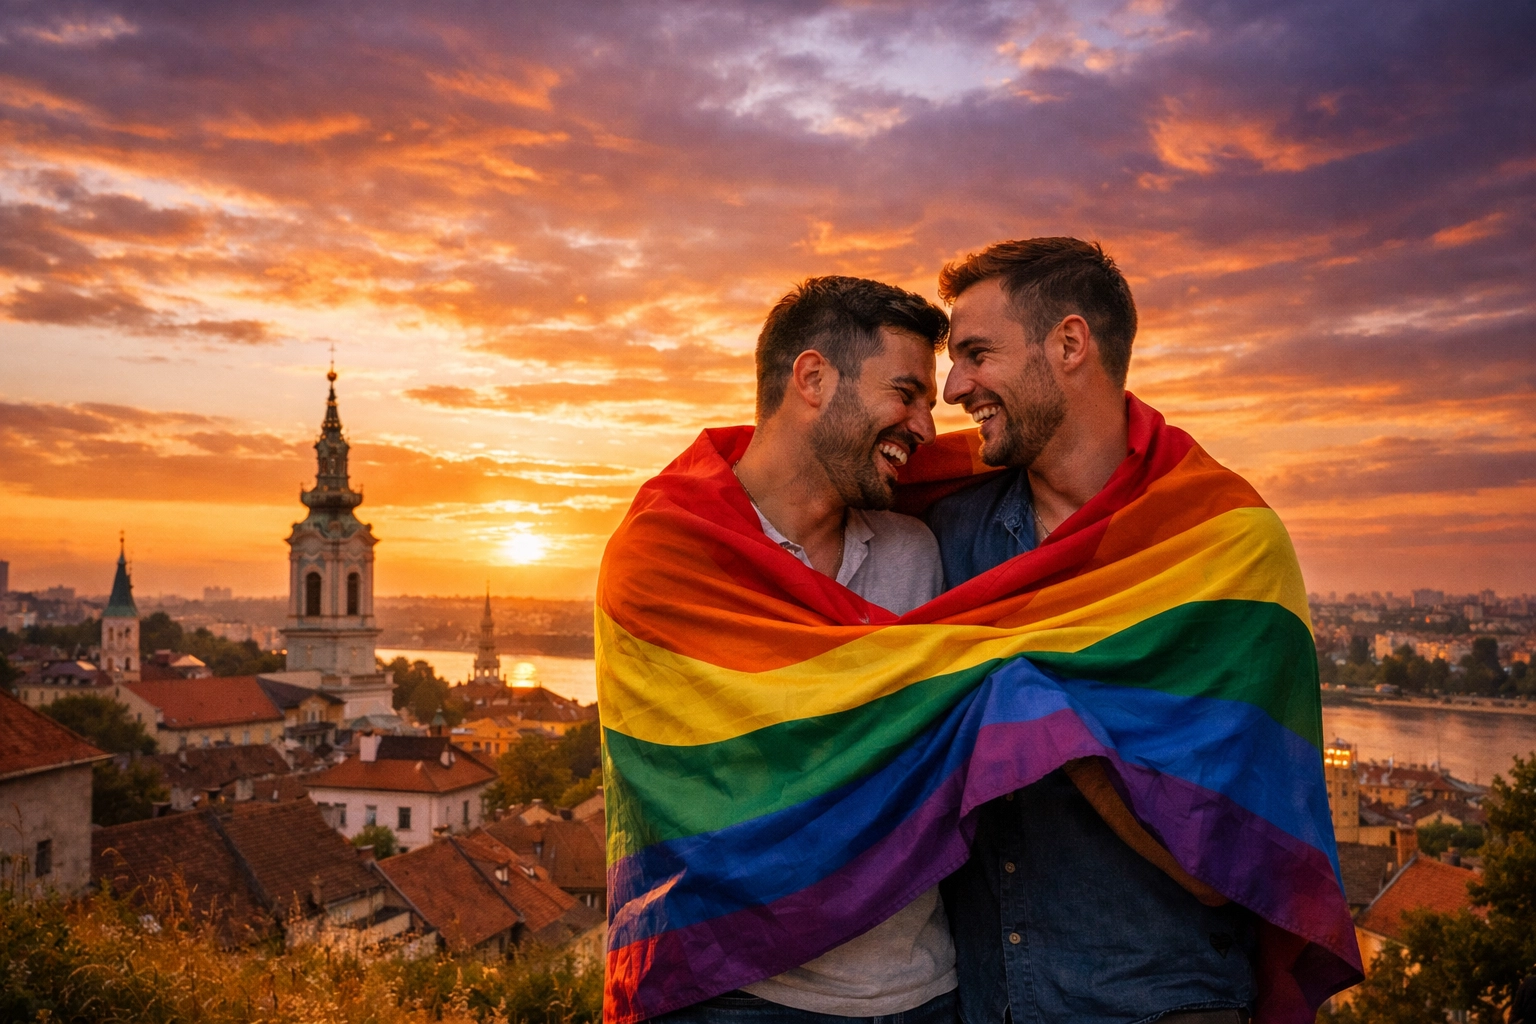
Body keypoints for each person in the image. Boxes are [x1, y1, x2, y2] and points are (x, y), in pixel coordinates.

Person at [930, 238, 1258, 1024]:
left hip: (1162, 1004)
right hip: (985, 1002)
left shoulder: (1218, 547)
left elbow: (1228, 858)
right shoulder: (947, 533)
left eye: (976, 353)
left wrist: (1048, 725)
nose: (951, 389)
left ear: (1069, 343)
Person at [653, 274, 959, 1024]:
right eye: (907, 393)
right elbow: (683, 784)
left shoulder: (918, 555)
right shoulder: (674, 558)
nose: (926, 425)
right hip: (739, 991)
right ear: (815, 378)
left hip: (922, 989)